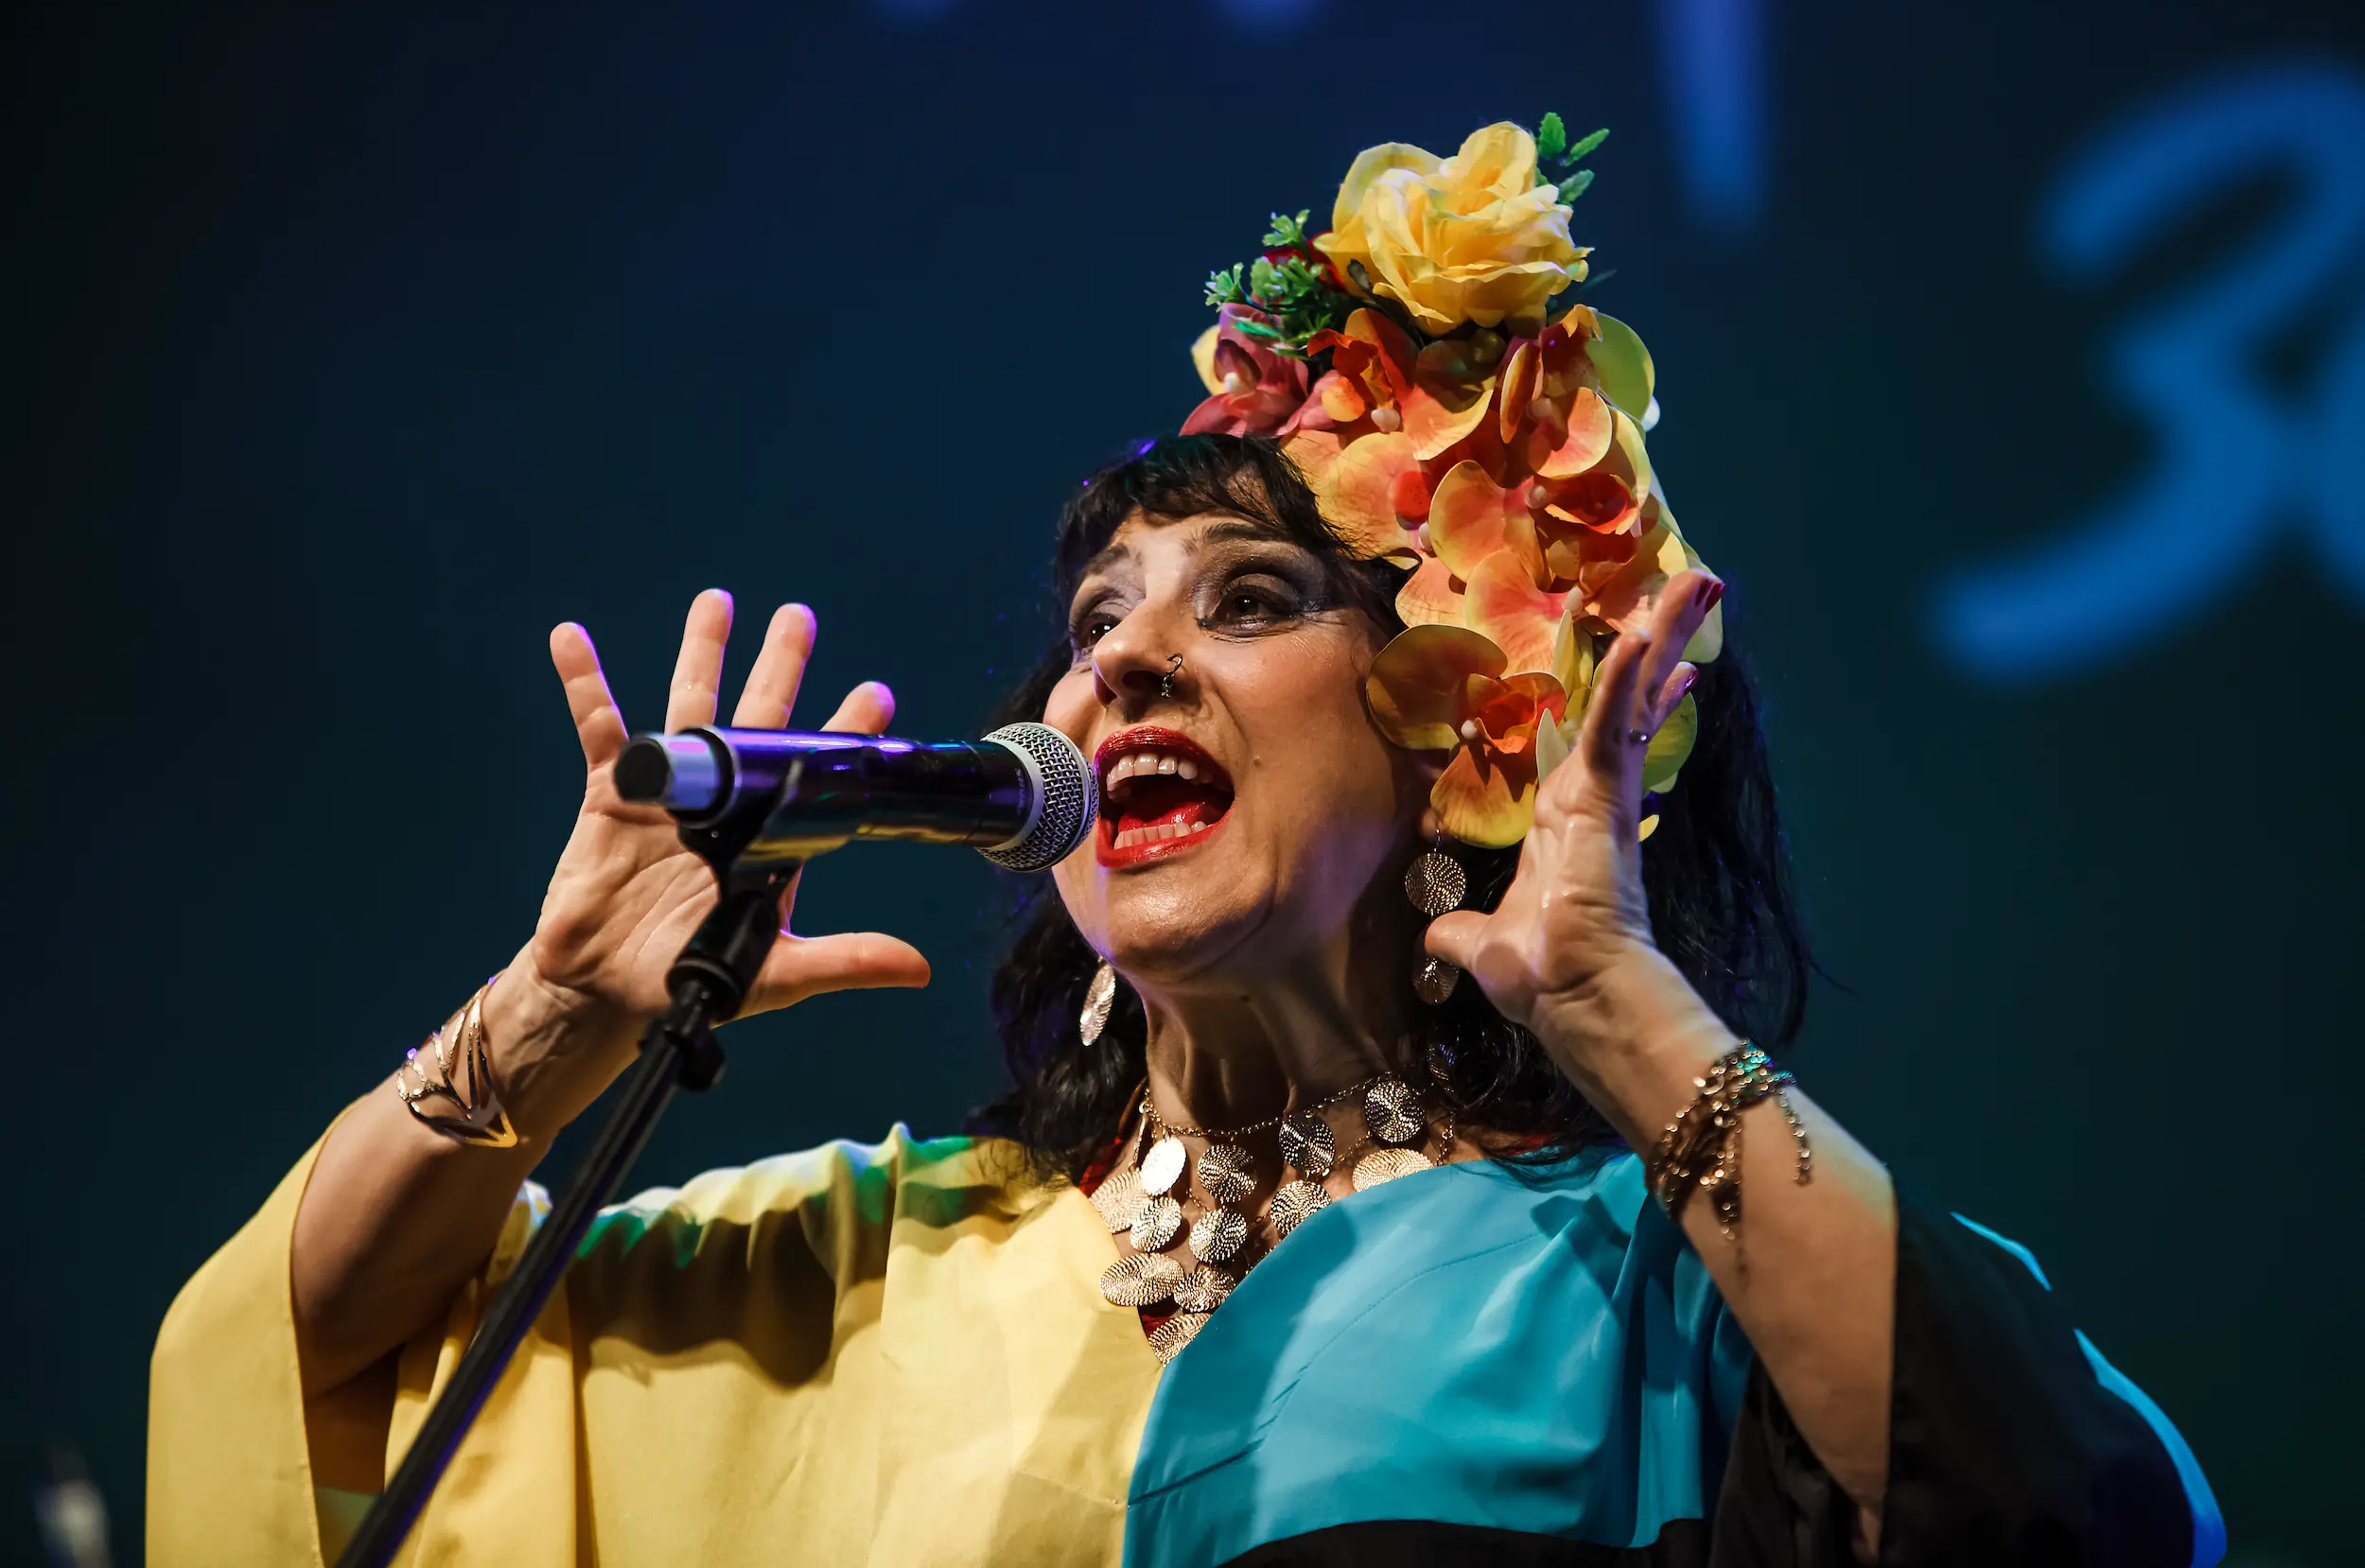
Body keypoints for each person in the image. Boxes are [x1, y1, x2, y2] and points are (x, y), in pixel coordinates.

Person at [149, 120, 2222, 1568]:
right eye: (1094, 624)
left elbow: (2058, 1511)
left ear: (1455, 727)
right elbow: (315, 1364)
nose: (1124, 662)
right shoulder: (870, 1263)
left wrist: (1618, 1004)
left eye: (1244, 600)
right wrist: (543, 1022)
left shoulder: (1645, 1284)